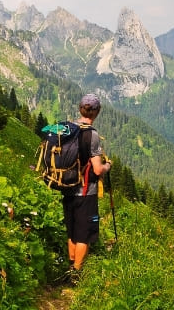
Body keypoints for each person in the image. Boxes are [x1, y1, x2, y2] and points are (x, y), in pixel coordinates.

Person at [61, 93, 111, 281]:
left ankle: (70, 266)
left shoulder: (68, 129)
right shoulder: (92, 135)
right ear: (96, 112)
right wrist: (108, 166)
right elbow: (97, 170)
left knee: (72, 230)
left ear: (80, 109)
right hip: (85, 191)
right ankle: (76, 274)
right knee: (84, 234)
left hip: (67, 187)